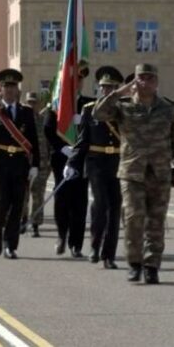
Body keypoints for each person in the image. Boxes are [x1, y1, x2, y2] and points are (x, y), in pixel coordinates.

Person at [93, 63, 174, 284]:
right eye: (140, 78)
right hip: (132, 172)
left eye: (149, 78)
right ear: (134, 81)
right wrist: (119, 92)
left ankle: (152, 266)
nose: (144, 82)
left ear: (156, 82)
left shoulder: (168, 108)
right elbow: (98, 113)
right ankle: (135, 263)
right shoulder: (123, 107)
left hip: (160, 173)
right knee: (133, 218)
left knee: (156, 222)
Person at [65, 66, 124, 269]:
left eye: (111, 88)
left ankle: (109, 255)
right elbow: (82, 141)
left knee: (115, 208)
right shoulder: (89, 109)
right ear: (98, 88)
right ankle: (95, 247)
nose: (106, 91)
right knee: (101, 204)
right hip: (96, 162)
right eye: (103, 87)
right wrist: (72, 162)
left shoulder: (123, 109)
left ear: (117, 89)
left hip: (117, 162)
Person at [0, 69, 40, 259]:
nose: (10, 90)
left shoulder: (26, 112)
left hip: (20, 163)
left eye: (13, 87)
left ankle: (11, 244)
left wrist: (35, 165)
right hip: (0, 162)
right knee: (1, 202)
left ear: (18, 90)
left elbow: (33, 140)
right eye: (6, 87)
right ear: (0, 89)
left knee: (18, 205)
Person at [44, 60, 94, 257]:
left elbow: (94, 129)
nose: (77, 83)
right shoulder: (56, 105)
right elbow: (48, 129)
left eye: (80, 80)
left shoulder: (88, 105)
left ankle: (76, 244)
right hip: (62, 158)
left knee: (80, 202)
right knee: (62, 199)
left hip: (82, 159)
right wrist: (63, 147)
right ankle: (61, 235)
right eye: (73, 79)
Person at [21, 92, 51, 238]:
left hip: (42, 164)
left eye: (34, 102)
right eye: (29, 102)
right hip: (24, 163)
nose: (32, 105)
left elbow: (50, 142)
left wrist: (49, 161)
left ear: (39, 104)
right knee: (23, 195)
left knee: (38, 196)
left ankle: (35, 225)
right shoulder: (20, 121)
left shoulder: (44, 121)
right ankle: (22, 220)